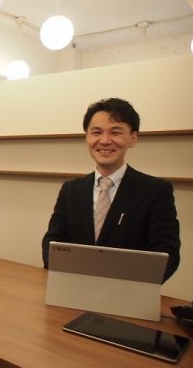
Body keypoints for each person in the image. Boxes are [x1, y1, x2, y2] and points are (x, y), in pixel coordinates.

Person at [42, 98, 180, 281]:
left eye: (115, 132)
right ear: (87, 137)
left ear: (133, 138)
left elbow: (167, 254)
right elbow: (52, 243)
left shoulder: (156, 190)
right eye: (96, 132)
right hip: (72, 287)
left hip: (130, 292)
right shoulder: (71, 190)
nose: (105, 141)